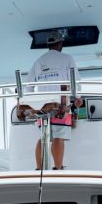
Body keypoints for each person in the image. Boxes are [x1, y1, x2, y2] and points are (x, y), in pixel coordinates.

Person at [20, 34, 81, 170]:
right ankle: (58, 168)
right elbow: (75, 80)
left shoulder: (39, 61)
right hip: (60, 104)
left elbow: (28, 85)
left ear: (48, 45)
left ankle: (38, 168)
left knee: (43, 136)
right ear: (60, 44)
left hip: (41, 106)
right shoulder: (67, 58)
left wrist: (32, 103)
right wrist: (78, 97)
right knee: (59, 135)